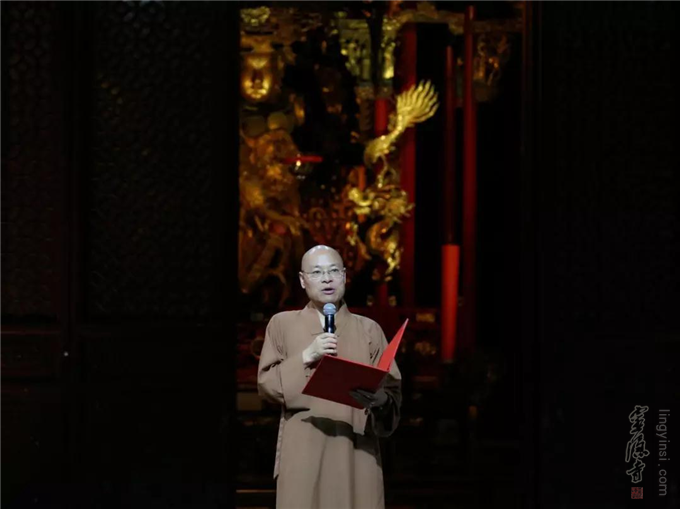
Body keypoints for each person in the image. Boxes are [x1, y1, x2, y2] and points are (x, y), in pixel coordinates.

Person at [257, 245, 402, 509]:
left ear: (344, 276)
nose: (326, 279)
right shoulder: (282, 325)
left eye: (333, 271)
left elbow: (392, 397)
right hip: (304, 449)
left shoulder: (369, 330)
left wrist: (381, 399)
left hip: (355, 450)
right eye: (317, 272)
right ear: (302, 280)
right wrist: (307, 355)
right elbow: (267, 386)